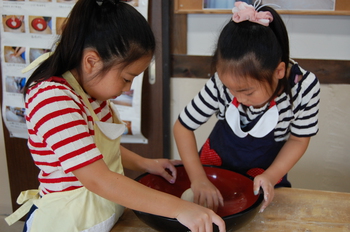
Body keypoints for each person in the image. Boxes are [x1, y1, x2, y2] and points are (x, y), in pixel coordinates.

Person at [5, 0, 226, 231]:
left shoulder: (90, 92)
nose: (128, 89)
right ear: (92, 61)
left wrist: (144, 163)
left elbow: (93, 147)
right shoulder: (52, 100)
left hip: (102, 218)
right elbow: (97, 179)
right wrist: (180, 208)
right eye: (127, 78)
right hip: (66, 223)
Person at [173, 1, 320, 214]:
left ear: (279, 71)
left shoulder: (303, 87)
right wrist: (198, 178)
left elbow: (298, 139)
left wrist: (270, 176)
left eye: (248, 92)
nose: (239, 98)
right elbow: (182, 127)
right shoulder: (221, 82)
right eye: (231, 89)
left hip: (265, 174)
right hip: (214, 172)